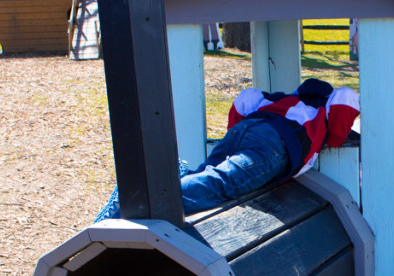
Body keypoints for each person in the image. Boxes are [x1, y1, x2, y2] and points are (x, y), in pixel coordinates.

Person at [96, 78, 360, 220]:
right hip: (275, 143)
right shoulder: (325, 107)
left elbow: (245, 99)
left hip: (245, 129)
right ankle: (138, 202)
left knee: (207, 171)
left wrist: (237, 133)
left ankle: (168, 180)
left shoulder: (278, 98)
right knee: (221, 183)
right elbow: (339, 127)